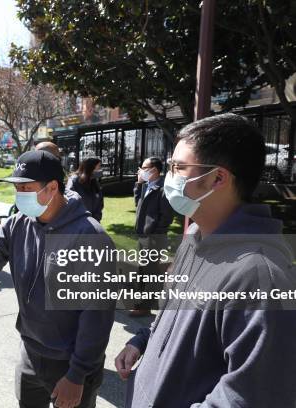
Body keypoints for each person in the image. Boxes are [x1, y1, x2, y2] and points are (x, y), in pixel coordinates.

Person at [115, 113, 296, 407]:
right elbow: (173, 317)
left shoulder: (261, 276)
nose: (169, 177)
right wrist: (142, 342)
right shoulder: (195, 238)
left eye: (179, 168)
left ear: (218, 178)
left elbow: (252, 397)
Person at [0, 150, 115, 408]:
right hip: (30, 353)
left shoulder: (89, 237)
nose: (20, 196)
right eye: (18, 189)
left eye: (26, 188)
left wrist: (76, 375)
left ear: (52, 187)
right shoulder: (19, 222)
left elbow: (96, 317)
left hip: (70, 364)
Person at [130, 157, 174, 317]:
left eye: (144, 167)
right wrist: (138, 184)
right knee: (142, 270)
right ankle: (141, 303)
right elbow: (138, 203)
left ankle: (146, 306)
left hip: (154, 237)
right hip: (143, 235)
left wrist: (155, 232)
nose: (141, 170)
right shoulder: (146, 186)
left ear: (155, 170)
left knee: (151, 273)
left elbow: (167, 216)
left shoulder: (163, 189)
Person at [66, 157, 104, 222]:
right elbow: (69, 202)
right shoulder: (74, 180)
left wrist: (96, 218)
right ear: (90, 167)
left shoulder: (94, 181)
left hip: (94, 222)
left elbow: (100, 202)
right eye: (99, 166)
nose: (101, 169)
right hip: (78, 222)